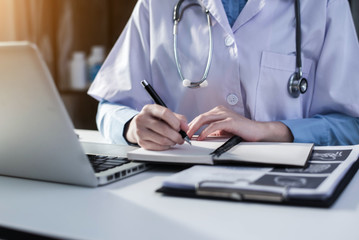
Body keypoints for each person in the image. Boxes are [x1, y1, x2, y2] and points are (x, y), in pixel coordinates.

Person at [88, 0, 359, 150]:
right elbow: (111, 106)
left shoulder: (323, 4)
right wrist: (132, 127)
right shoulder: (155, 4)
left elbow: (351, 125)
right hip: (176, 184)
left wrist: (266, 131)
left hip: (286, 187)